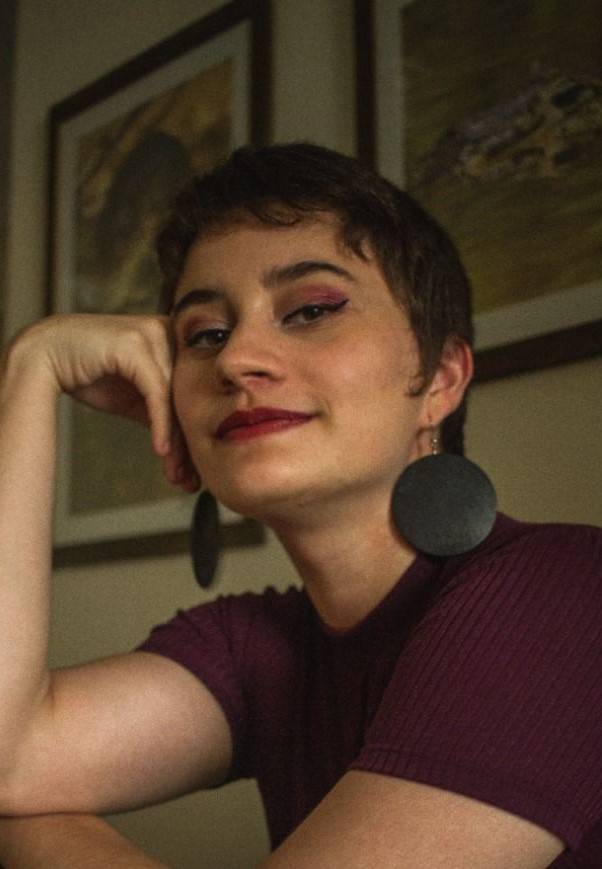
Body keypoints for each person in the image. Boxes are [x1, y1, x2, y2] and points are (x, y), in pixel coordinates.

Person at [0, 143, 600, 869]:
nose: (234, 360)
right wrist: (34, 365)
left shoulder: (568, 588)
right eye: (205, 334)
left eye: (311, 310)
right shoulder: (249, 645)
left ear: (440, 378)